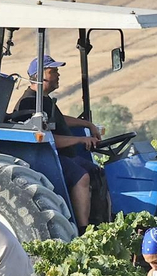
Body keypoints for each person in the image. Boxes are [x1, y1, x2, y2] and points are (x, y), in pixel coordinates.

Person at [12, 56, 105, 231]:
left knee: (96, 171)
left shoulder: (44, 100)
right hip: (46, 157)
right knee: (81, 176)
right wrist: (80, 139)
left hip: (63, 154)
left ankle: (101, 222)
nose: (58, 74)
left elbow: (61, 121)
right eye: (53, 71)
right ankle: (83, 230)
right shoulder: (30, 103)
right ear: (39, 76)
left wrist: (88, 124)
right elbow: (48, 138)